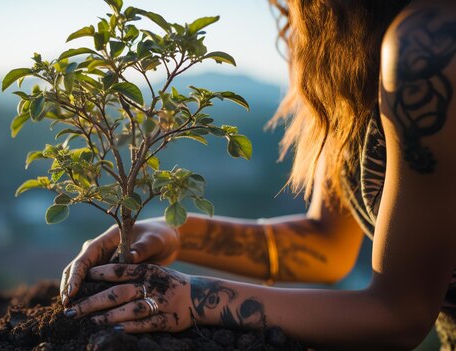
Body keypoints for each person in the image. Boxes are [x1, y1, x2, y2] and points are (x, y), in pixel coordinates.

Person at [59, 0, 456, 349]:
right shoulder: (358, 50)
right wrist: (176, 231)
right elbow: (327, 245)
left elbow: (400, 314)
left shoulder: (430, 45)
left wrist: (193, 298)